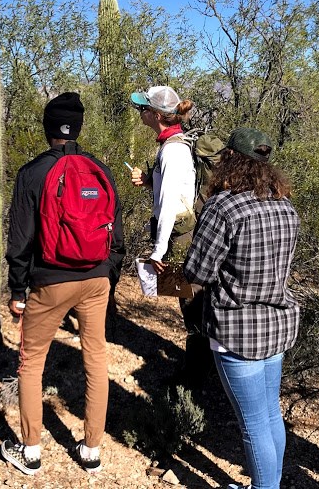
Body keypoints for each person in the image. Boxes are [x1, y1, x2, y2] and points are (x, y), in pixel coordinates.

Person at [1, 92, 125, 476]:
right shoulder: (100, 169)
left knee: (31, 362)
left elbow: (20, 241)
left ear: (46, 128)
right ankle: (91, 451)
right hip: (96, 278)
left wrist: (18, 290)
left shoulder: (32, 172)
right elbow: (116, 237)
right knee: (96, 358)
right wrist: (108, 276)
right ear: (80, 128)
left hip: (50, 281)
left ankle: (31, 451)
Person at [184, 128, 300, 489]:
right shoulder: (285, 206)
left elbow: (198, 272)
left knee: (252, 424)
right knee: (269, 414)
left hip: (238, 330)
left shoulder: (224, 206)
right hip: (277, 325)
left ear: (230, 158)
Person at [128, 85, 212, 387]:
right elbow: (172, 190)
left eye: (143, 109)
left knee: (190, 300)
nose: (140, 113)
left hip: (179, 235)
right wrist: (151, 180)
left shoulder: (173, 150)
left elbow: (168, 207)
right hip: (183, 232)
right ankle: (201, 366)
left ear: (155, 114)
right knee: (190, 298)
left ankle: (197, 374)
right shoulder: (173, 143)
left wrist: (158, 251)